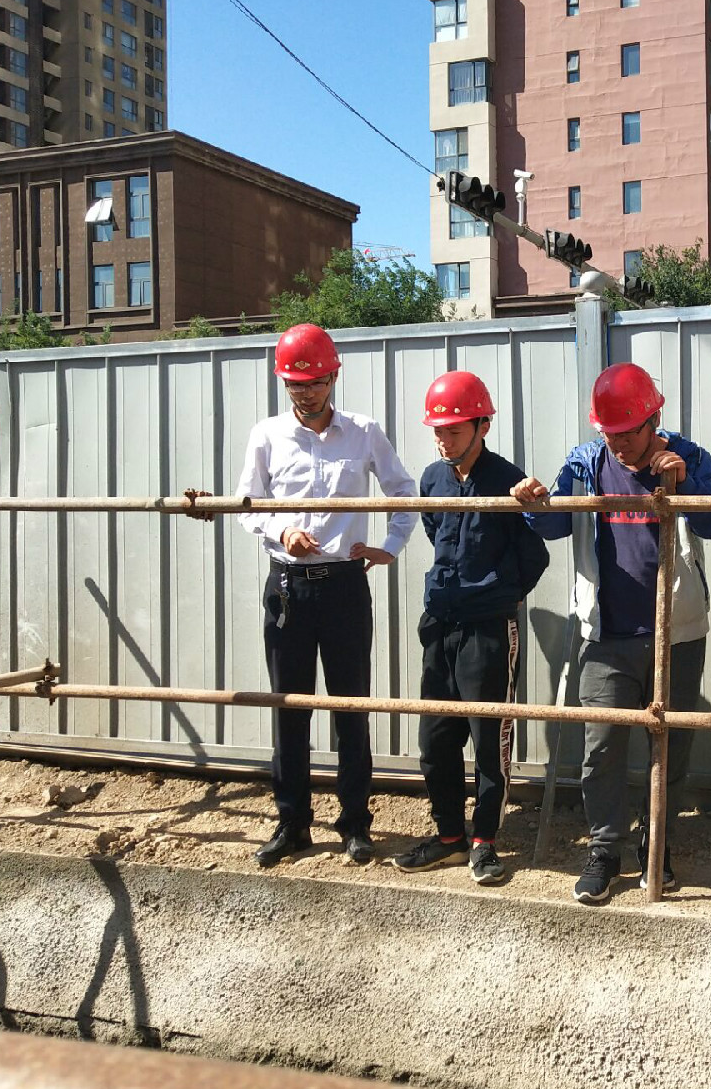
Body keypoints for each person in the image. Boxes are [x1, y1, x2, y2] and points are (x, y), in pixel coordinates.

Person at [511, 362, 711, 905]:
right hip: (606, 634)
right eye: (609, 432)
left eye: (628, 432)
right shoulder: (584, 463)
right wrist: (534, 503)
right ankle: (604, 851)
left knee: (669, 750)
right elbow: (554, 525)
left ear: (654, 419)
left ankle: (657, 846)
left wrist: (683, 483)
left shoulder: (689, 455)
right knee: (602, 747)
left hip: (677, 633)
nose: (619, 443)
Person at [235, 323, 418, 867]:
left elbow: (403, 490)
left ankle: (355, 823)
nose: (306, 392)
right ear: (283, 383)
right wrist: (281, 531)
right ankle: (292, 823)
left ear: (334, 376)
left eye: (315, 381)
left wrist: (390, 546)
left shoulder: (363, 432)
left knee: (350, 708)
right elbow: (247, 504)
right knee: (289, 709)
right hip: (287, 588)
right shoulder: (267, 435)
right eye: (295, 383)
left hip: (343, 587)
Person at [392, 371, 549, 885]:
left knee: (488, 739)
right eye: (438, 430)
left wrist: (497, 593)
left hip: (488, 628)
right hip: (440, 622)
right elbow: (436, 532)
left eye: (454, 430)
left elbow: (534, 556)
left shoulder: (508, 480)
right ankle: (448, 838)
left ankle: (484, 841)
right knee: (436, 738)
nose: (444, 439)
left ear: (482, 426)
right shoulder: (432, 480)